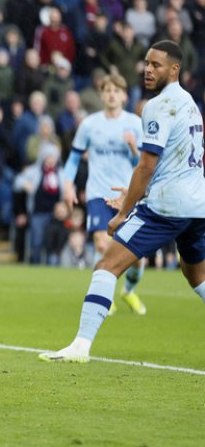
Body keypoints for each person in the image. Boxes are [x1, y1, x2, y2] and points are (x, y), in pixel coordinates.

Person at [40, 41, 205, 363]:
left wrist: (124, 212)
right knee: (197, 277)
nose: (147, 69)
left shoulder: (157, 107)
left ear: (174, 69)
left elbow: (146, 165)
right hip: (197, 207)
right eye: (146, 62)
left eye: (156, 65)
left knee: (105, 266)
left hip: (166, 207)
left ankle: (80, 347)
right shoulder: (190, 104)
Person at [61, 72, 147, 314]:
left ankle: (128, 291)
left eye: (116, 90)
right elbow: (74, 156)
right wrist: (67, 184)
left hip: (127, 195)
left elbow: (143, 164)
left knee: (135, 254)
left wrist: (133, 147)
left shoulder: (134, 123)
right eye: (107, 90)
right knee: (102, 241)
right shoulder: (89, 124)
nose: (111, 94)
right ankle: (103, 297)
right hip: (98, 192)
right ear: (101, 95)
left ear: (124, 96)